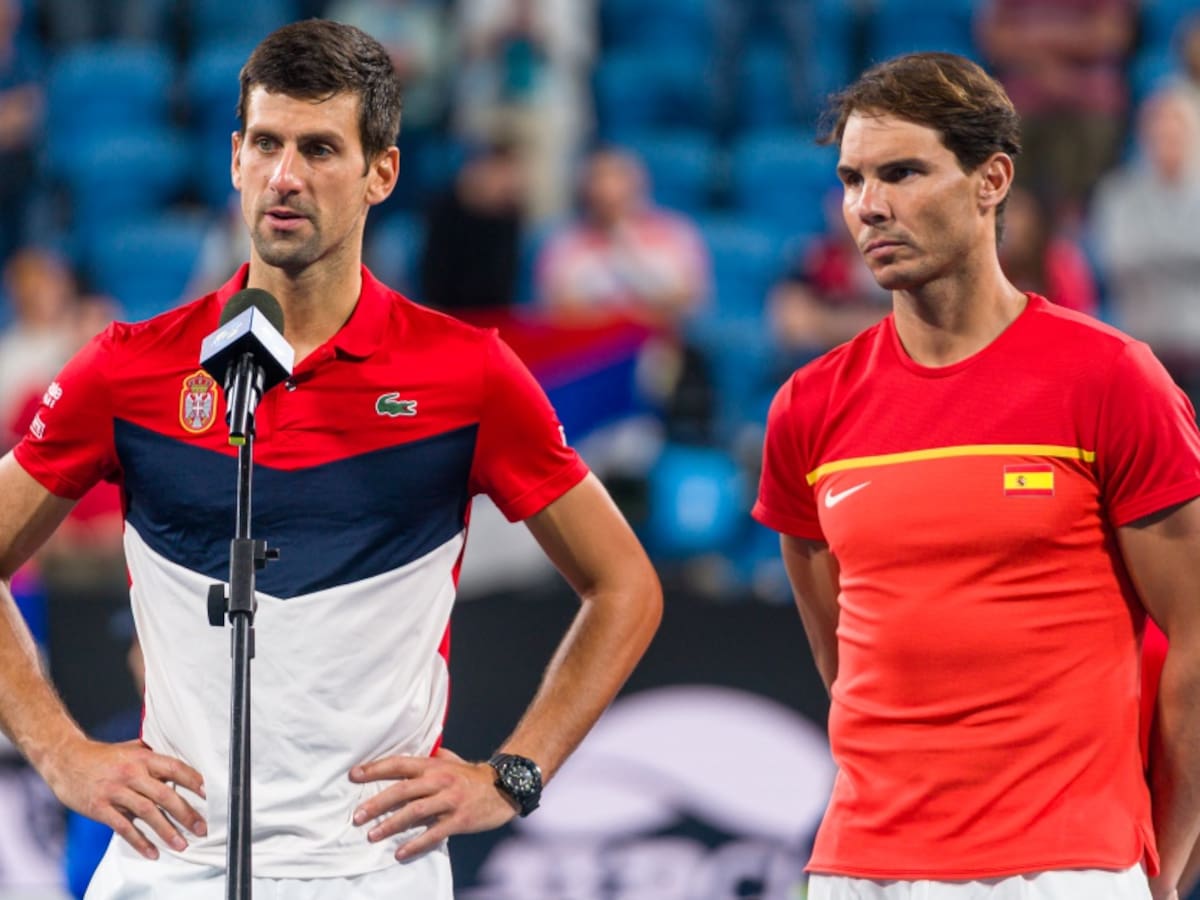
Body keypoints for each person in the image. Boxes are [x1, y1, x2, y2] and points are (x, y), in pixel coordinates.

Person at [0, 19, 662, 900]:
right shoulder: (131, 366)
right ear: (234, 157)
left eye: (319, 148)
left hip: (370, 870)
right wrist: (61, 753)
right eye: (267, 144)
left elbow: (626, 588)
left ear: (381, 172)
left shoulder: (466, 375)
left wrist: (513, 777)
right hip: (170, 866)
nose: (285, 176)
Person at [752, 52, 1200, 900]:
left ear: (991, 179)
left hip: (1067, 868)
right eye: (852, 179)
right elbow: (843, 654)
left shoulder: (1111, 379)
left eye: (902, 172)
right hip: (859, 870)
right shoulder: (806, 411)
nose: (868, 206)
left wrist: (1161, 870)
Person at [1092, 86, 1200, 404]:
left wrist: (1154, 251)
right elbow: (1118, 259)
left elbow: (1140, 257)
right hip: (1145, 347)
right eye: (1159, 130)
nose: (1166, 138)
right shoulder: (1117, 194)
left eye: (1176, 129)